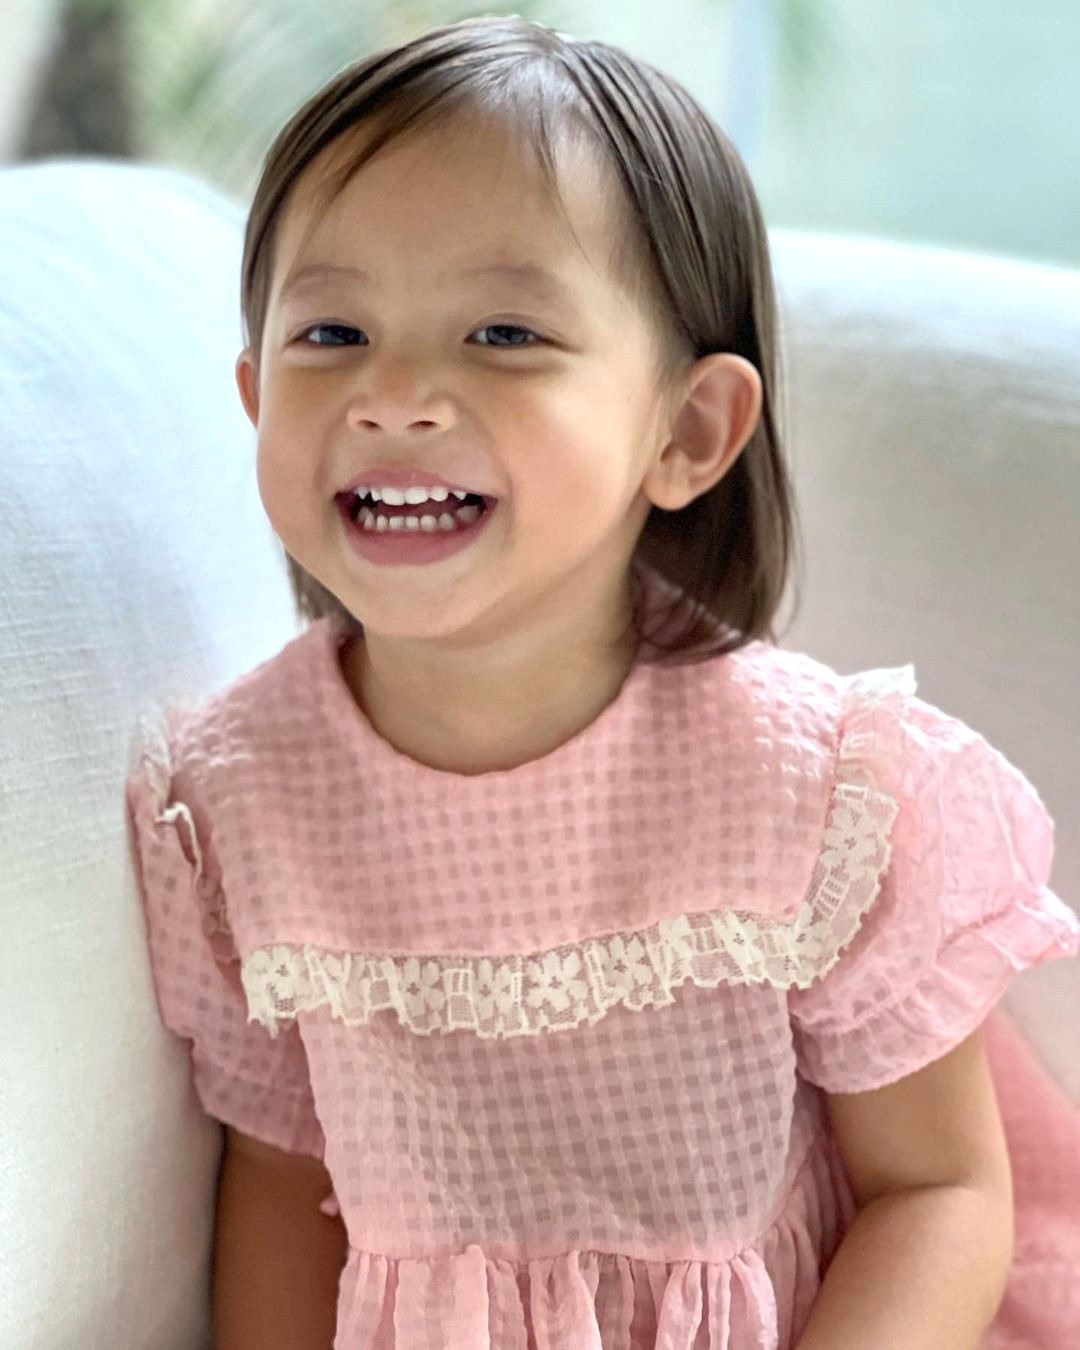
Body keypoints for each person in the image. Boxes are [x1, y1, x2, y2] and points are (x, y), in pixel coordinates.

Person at [124, 15, 1080, 1350]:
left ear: (686, 430)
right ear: (251, 394)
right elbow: (286, 1183)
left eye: (503, 332)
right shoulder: (237, 805)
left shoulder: (813, 794)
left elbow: (939, 1190)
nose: (394, 394)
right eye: (332, 331)